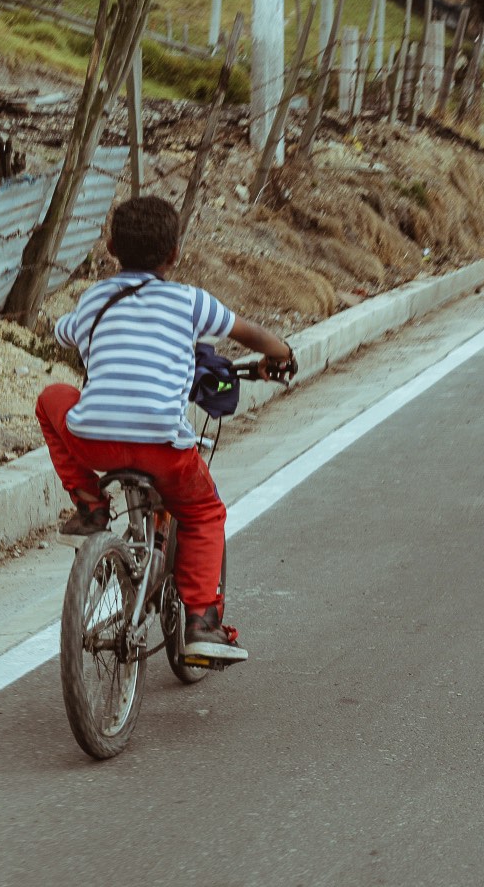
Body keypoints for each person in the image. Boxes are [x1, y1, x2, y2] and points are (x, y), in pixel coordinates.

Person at [36, 197, 293, 664]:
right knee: (203, 513)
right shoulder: (190, 301)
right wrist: (282, 354)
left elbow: (64, 333)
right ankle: (201, 622)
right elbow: (251, 333)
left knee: (52, 396)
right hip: (161, 446)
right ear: (175, 253)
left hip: (95, 441)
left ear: (111, 247)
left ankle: (91, 506)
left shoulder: (94, 298)